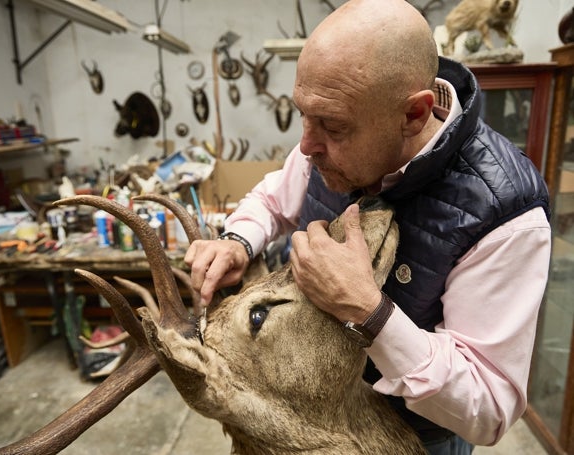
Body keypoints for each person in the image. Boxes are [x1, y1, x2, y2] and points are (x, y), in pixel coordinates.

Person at [184, 0, 551, 453]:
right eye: (304, 114)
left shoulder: (507, 212)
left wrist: (368, 312)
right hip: (318, 422)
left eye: (333, 127)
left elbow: (490, 409)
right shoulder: (325, 141)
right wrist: (239, 240)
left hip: (418, 437)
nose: (306, 144)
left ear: (414, 115)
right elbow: (274, 197)